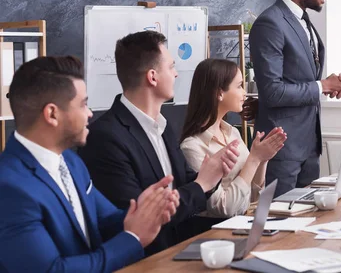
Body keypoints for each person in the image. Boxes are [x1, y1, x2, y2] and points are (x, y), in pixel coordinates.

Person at [0, 56, 180, 272]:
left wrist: (146, 212)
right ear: (52, 114)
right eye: (83, 104)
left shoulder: (71, 162)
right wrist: (133, 238)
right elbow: (52, 270)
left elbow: (106, 220)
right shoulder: (9, 187)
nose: (90, 113)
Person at [79, 31, 239, 256]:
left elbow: (185, 183)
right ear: (152, 77)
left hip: (180, 252)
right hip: (145, 261)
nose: (175, 74)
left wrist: (213, 172)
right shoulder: (105, 137)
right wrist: (202, 184)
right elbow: (140, 217)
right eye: (171, 67)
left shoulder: (162, 126)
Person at [249, 0, 341, 196]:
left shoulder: (303, 20)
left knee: (307, 224)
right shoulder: (270, 23)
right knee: (278, 226)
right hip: (282, 151)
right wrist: (322, 86)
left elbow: (303, 77)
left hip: (309, 148)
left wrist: (332, 83)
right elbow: (272, 92)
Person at [180, 58, 287, 217]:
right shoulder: (192, 146)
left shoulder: (232, 133)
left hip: (244, 222)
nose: (244, 93)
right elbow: (223, 209)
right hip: (214, 235)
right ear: (219, 93)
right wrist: (254, 159)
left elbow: (252, 198)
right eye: (239, 86)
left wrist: (263, 159)